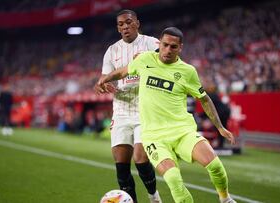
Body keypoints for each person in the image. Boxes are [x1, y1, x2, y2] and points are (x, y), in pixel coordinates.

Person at [96, 27, 236, 203]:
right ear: (159, 44)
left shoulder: (187, 71)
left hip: (182, 131)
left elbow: (205, 99)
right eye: (165, 45)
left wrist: (220, 127)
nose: (168, 50)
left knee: (215, 164)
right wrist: (104, 79)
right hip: (154, 137)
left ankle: (225, 199)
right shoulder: (145, 60)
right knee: (174, 179)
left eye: (173, 47)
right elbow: (122, 71)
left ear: (180, 48)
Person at [94, 9, 162, 203]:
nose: (125, 26)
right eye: (121, 24)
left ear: (137, 23)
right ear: (117, 28)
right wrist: (104, 84)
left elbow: (166, 62)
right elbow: (105, 77)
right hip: (122, 109)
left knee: (141, 159)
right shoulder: (112, 50)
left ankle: (153, 196)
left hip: (145, 109)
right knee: (121, 167)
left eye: (128, 22)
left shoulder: (151, 43)